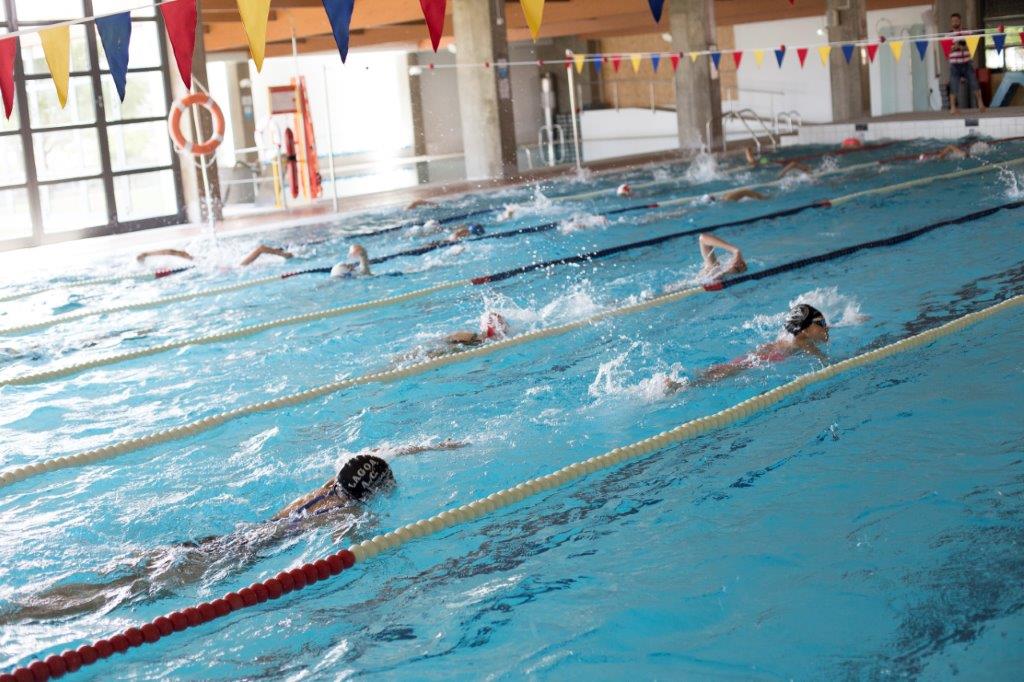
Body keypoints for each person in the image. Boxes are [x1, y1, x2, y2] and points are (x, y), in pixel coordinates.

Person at [0, 444, 465, 624]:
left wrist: (430, 447)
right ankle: (19, 616)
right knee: (121, 595)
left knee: (119, 581)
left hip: (212, 542)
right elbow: (355, 549)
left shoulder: (322, 492)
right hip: (227, 557)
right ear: (373, 491)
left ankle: (23, 604)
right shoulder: (344, 515)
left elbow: (370, 458)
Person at [665, 304, 829, 391]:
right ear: (805, 329)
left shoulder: (791, 336)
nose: (825, 326)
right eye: (820, 323)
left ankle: (689, 380)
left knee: (729, 368)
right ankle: (685, 386)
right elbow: (825, 362)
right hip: (768, 358)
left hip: (763, 353)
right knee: (731, 371)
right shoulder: (803, 342)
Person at [947, 13, 986, 114]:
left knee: (974, 83)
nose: (955, 22)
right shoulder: (948, 35)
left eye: (956, 20)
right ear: (951, 23)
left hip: (967, 63)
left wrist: (961, 47)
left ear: (960, 21)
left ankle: (980, 103)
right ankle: (953, 107)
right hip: (954, 65)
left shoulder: (967, 32)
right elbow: (947, 50)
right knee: (953, 86)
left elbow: (972, 46)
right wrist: (956, 47)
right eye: (953, 21)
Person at [136, 244, 294, 267]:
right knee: (260, 249)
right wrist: (146, 254)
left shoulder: (201, 264)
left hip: (233, 267)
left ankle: (283, 253)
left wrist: (146, 254)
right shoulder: (200, 263)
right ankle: (281, 253)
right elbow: (174, 252)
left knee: (260, 249)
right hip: (230, 266)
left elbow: (174, 253)